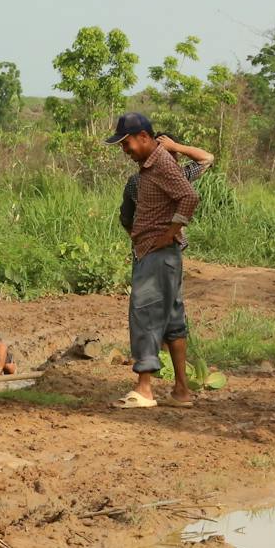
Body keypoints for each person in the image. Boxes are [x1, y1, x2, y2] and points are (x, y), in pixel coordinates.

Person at [107, 112, 199, 409]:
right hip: (160, 254)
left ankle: (144, 388)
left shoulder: (161, 163)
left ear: (144, 137)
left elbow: (189, 196)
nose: (125, 150)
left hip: (156, 253)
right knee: (172, 321)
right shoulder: (151, 166)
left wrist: (171, 231)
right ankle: (181, 391)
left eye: (127, 143)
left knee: (145, 313)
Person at [118, 133, 213, 232]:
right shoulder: (179, 176)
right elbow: (207, 158)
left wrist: (174, 146)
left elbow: (126, 219)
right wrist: (175, 147)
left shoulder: (135, 181)